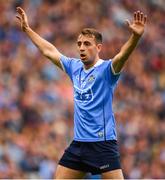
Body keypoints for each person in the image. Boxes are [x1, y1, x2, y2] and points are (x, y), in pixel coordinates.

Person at [16, 7, 147, 179]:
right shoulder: (74, 66)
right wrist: (27, 29)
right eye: (79, 44)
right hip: (79, 145)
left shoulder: (107, 70)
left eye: (87, 44)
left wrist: (135, 37)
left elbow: (122, 55)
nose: (82, 48)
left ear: (98, 47)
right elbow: (49, 51)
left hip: (102, 145)